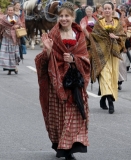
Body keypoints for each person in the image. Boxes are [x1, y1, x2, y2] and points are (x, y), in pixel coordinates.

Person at [35, 2, 90, 160]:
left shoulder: (78, 36)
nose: (64, 18)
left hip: (75, 82)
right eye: (61, 16)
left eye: (67, 16)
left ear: (73, 17)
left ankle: (69, 149)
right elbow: (41, 63)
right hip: (57, 82)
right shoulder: (51, 36)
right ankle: (60, 143)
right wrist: (48, 51)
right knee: (60, 115)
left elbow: (85, 59)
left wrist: (74, 59)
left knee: (73, 114)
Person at [81, 1, 126, 114]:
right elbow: (93, 38)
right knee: (105, 77)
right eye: (105, 8)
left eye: (108, 8)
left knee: (112, 78)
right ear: (102, 11)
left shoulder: (117, 23)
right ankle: (111, 102)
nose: (106, 10)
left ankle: (103, 98)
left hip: (113, 55)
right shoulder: (99, 24)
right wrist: (84, 30)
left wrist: (115, 37)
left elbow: (123, 37)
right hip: (101, 55)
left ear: (112, 10)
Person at [0, 5, 22, 75]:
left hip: (14, 39)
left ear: (14, 11)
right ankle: (9, 68)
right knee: (7, 54)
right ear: (7, 11)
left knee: (14, 54)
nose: (10, 11)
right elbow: (0, 26)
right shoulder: (4, 18)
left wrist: (17, 26)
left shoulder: (17, 18)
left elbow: (20, 25)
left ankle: (14, 67)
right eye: (9, 10)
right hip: (6, 38)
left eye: (11, 10)